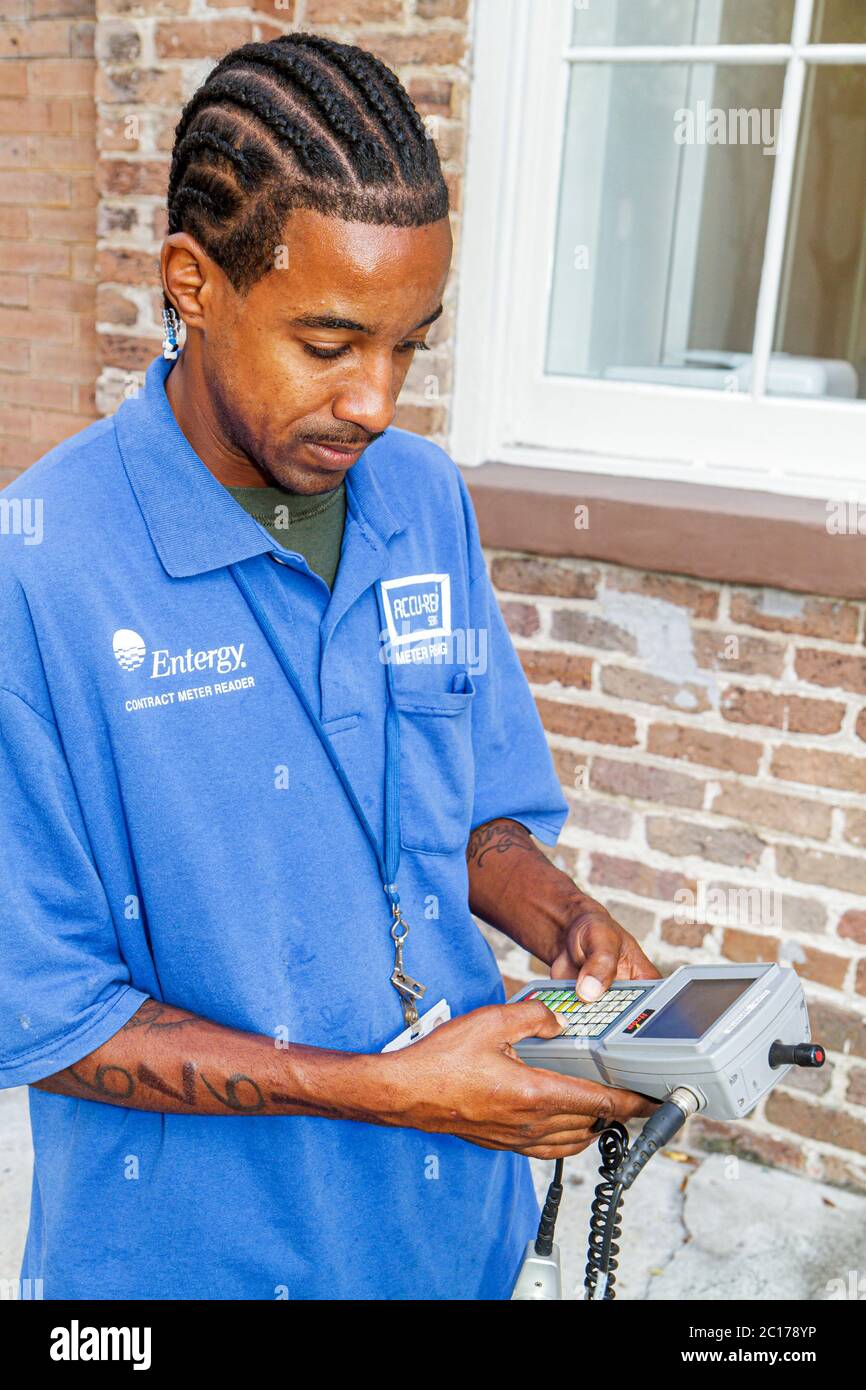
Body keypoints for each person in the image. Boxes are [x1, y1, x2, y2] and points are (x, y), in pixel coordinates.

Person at [0, 32, 659, 1300]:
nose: (374, 400)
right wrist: (393, 1092)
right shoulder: (42, 573)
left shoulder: (423, 502)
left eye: (409, 346)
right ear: (192, 283)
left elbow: (467, 816)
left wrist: (564, 920)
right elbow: (45, 1013)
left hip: (450, 1237)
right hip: (195, 1267)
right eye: (329, 341)